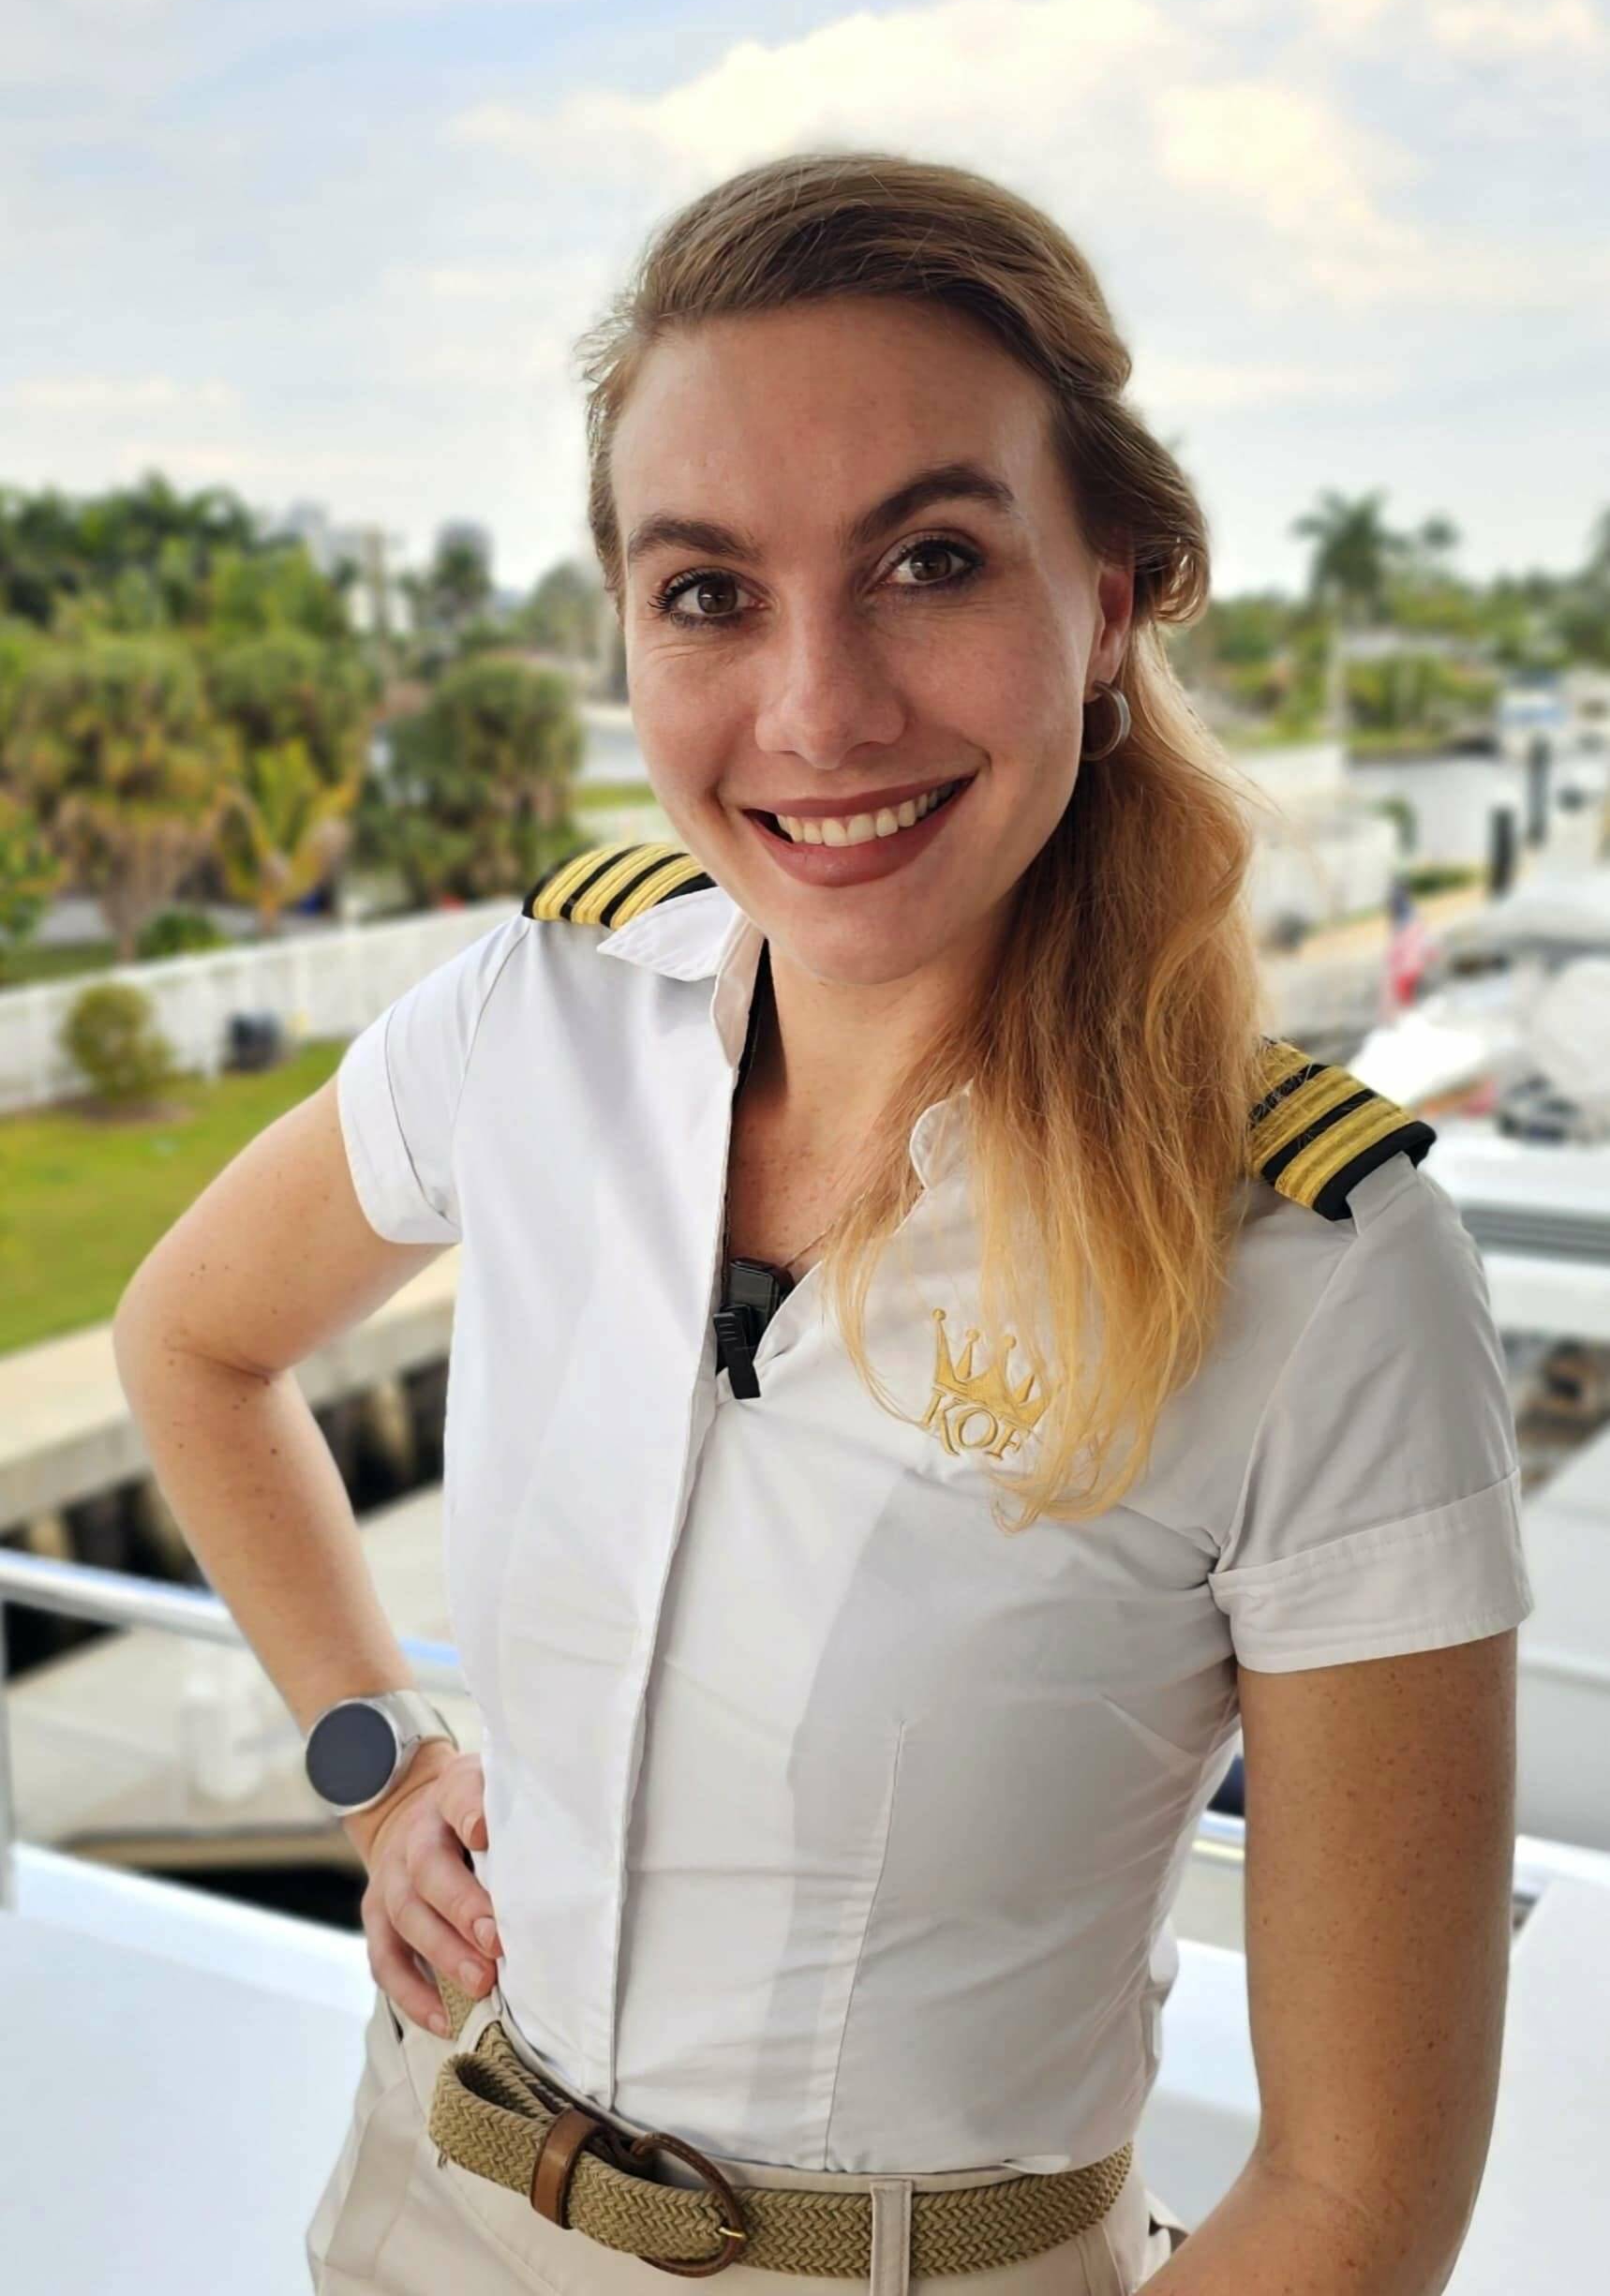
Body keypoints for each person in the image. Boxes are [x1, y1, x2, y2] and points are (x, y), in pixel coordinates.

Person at [112, 149, 1535, 2296]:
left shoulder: (1317, 1271)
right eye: (708, 592)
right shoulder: (537, 1017)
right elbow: (195, 1343)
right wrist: (373, 1763)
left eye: (930, 560)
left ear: (1110, 599)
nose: (817, 711)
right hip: (424, 2194)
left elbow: (1353, 2194)